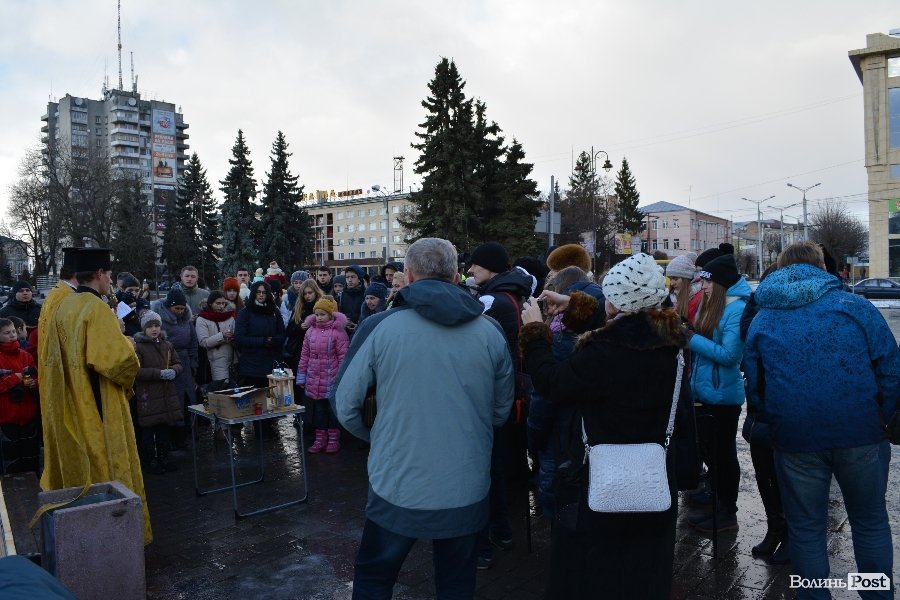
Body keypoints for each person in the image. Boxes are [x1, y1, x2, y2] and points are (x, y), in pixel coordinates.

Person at [334, 237, 513, 598]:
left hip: (398, 480)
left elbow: (345, 405)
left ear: (410, 275)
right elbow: (500, 411)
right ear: (456, 275)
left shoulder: (379, 327)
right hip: (465, 482)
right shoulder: (490, 331)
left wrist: (378, 435)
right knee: (456, 583)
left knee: (374, 579)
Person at [520, 252, 681, 599]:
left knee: (595, 573)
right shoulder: (670, 340)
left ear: (615, 303)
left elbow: (552, 382)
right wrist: (574, 304)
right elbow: (627, 327)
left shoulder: (602, 353)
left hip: (600, 480)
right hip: (654, 477)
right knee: (642, 571)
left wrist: (535, 332)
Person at [745, 241, 900, 596]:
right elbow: (891, 368)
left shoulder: (764, 318)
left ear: (780, 270)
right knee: (870, 523)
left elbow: (755, 385)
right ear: (823, 268)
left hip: (795, 437)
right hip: (861, 431)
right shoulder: (856, 307)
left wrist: (777, 420)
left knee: (806, 529)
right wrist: (883, 417)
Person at [38, 247, 151, 543]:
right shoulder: (95, 308)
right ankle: (116, 536)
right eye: (109, 275)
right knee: (107, 466)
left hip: (73, 398)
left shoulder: (63, 304)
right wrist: (129, 345)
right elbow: (117, 362)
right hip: (99, 399)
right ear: (99, 274)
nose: (111, 281)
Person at [466, 241, 532, 569]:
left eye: (475, 265)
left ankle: (482, 545)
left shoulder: (492, 299)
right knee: (497, 466)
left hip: (491, 394)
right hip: (512, 391)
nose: (470, 270)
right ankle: (502, 531)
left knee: (485, 469)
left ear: (490, 266)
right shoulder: (514, 294)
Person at [685, 253, 750, 533]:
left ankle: (727, 513)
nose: (703, 285)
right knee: (712, 454)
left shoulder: (736, 309)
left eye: (708, 281)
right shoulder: (713, 304)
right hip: (705, 391)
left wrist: (691, 339)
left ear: (721, 283)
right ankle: (718, 505)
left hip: (723, 397)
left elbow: (730, 355)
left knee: (723, 456)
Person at [296, 297, 349, 454]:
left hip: (332, 377)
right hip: (314, 377)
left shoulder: (338, 333)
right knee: (319, 410)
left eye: (322, 314)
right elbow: (304, 355)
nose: (319, 317)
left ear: (331, 314)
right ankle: (320, 438)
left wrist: (342, 378)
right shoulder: (310, 332)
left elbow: (343, 357)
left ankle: (333, 439)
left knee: (332, 410)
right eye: (317, 314)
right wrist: (302, 375)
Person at [133, 310, 183, 475]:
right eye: (150, 326)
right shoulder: (138, 347)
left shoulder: (167, 345)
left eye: (156, 325)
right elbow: (136, 371)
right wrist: (159, 373)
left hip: (166, 394)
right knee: (148, 430)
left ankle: (164, 457)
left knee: (163, 429)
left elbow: (178, 363)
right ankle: (150, 461)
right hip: (148, 395)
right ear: (144, 329)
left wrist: (174, 371)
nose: (154, 329)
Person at [151, 289, 198, 441]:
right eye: (176, 308)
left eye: (182, 308)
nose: (180, 311)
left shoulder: (186, 320)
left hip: (185, 363)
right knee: (173, 398)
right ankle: (174, 435)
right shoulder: (159, 321)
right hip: (168, 363)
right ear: (169, 306)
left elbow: (193, 342)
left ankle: (189, 429)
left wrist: (193, 362)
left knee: (188, 397)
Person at [0, 317, 39, 474]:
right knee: (11, 464)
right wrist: (14, 379)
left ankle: (34, 486)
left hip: (28, 416)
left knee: (32, 461)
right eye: (6, 333)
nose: (12, 335)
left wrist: (34, 383)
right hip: (7, 420)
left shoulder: (26, 356)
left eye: (13, 332)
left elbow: (35, 376)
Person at [235, 281, 285, 389]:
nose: (261, 295)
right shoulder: (245, 312)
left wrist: (274, 341)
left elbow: (282, 334)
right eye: (258, 292)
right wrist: (262, 341)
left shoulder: (274, 311)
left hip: (272, 363)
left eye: (264, 292)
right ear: (254, 293)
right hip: (251, 365)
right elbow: (239, 337)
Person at [195, 291, 237, 387]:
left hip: (233, 360)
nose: (221, 306)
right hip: (216, 361)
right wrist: (222, 336)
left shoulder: (230, 316)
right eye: (218, 303)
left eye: (223, 303)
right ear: (210, 303)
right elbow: (203, 342)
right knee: (221, 389)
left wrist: (235, 338)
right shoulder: (202, 319)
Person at [665, 252, 701, 323]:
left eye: (675, 279)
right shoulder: (670, 296)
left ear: (686, 279)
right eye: (670, 279)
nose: (671, 283)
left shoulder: (700, 297)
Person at [338, 265, 366, 331]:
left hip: (361, 330)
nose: (349, 280)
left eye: (353, 277)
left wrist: (358, 325)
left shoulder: (366, 295)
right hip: (344, 331)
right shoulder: (341, 295)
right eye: (347, 277)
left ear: (359, 279)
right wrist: (343, 321)